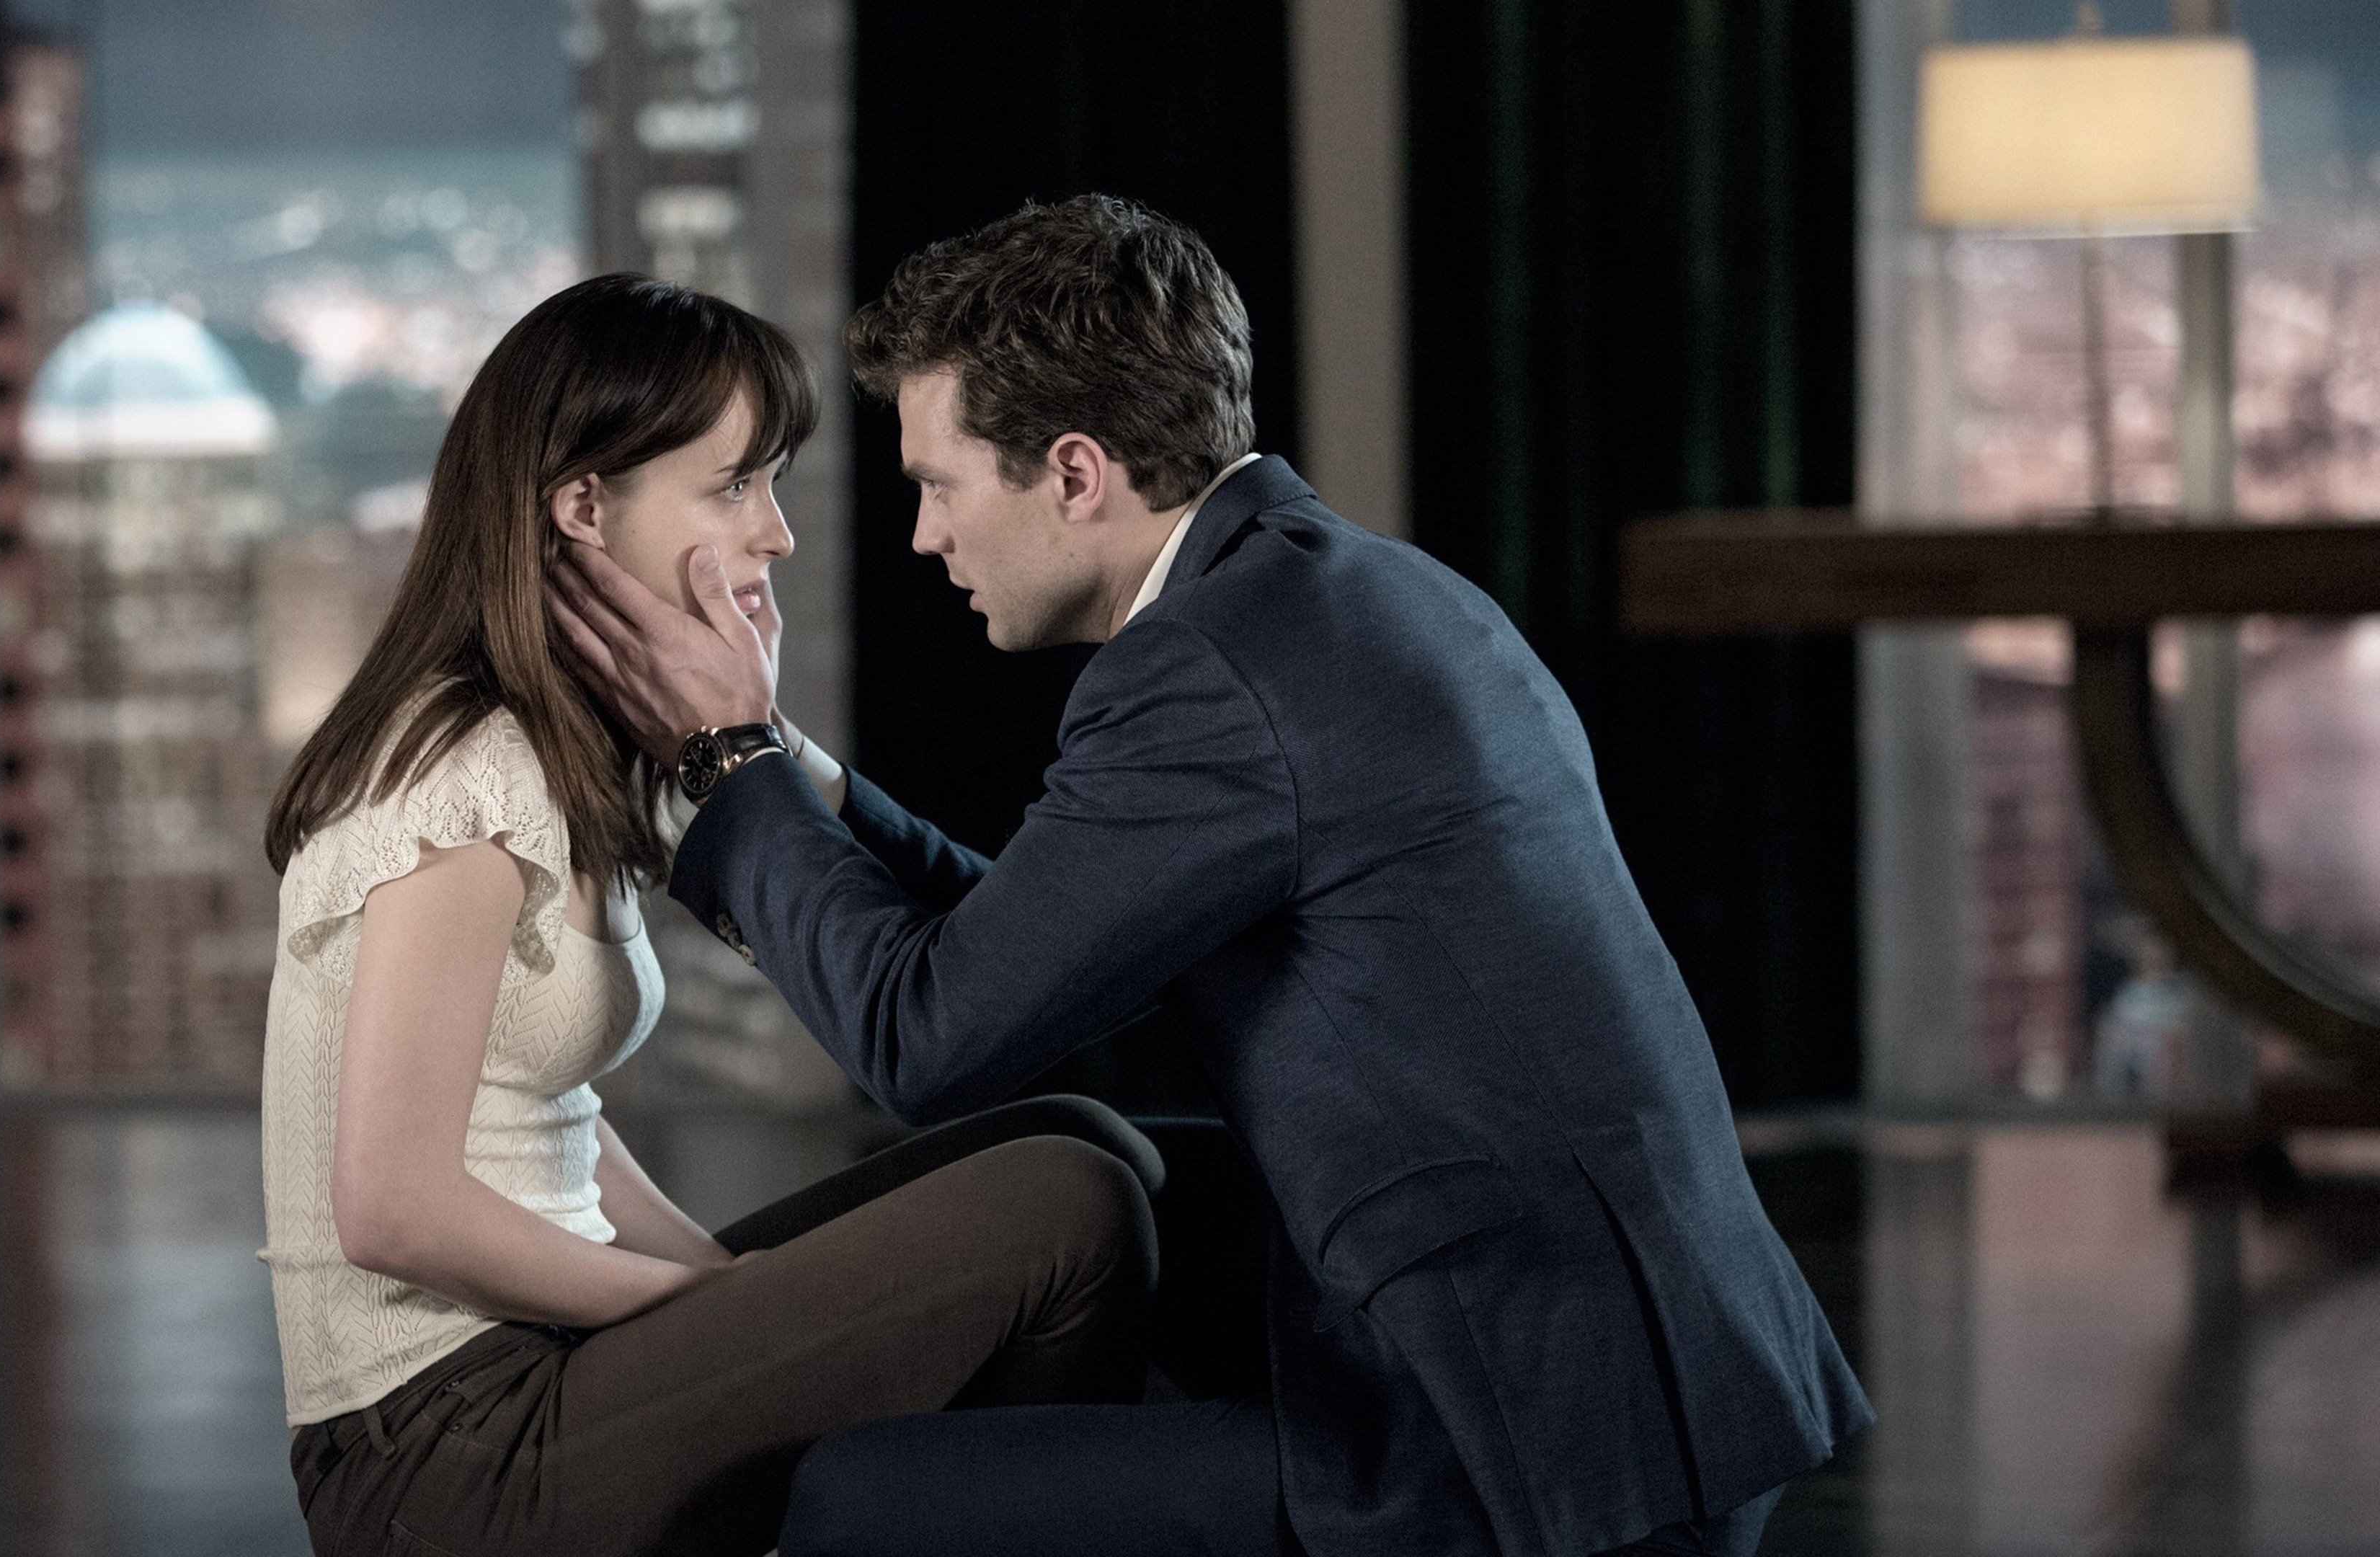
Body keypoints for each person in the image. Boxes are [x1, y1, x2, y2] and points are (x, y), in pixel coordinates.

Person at [551, 196, 1875, 1557]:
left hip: (1525, 1451)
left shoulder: (1210, 669)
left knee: (848, 1501)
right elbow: (1026, 944)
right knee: (1100, 1170)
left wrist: (725, 753)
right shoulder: (1332, 592)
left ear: (1075, 474)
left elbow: (927, 1040)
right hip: (1637, 1382)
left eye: (940, 486)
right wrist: (788, 771)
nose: (925, 537)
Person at [257, 272, 1165, 1557]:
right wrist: (716, 1302)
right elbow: (391, 1210)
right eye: (735, 485)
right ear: (584, 508)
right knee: (1063, 1206)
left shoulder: (566, 746)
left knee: (1080, 1137)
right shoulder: (463, 774)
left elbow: (545, 1118)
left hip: (539, 1369)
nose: (776, 535)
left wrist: (730, 1294)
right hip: (443, 1450)